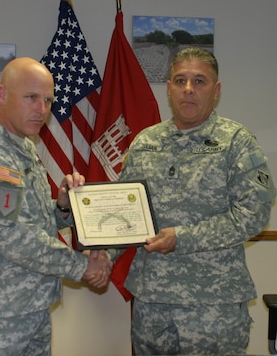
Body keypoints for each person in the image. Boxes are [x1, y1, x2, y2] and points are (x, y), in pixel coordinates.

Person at [111, 47, 276, 355]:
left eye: (199, 81)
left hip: (214, 309)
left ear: (216, 90)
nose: (188, 89)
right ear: (169, 89)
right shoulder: (145, 143)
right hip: (152, 307)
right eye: (180, 80)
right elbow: (126, 213)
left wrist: (182, 238)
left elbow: (253, 214)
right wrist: (102, 255)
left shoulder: (236, 142)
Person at [0, 57, 112, 356]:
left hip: (29, 310)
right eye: (31, 98)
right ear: (2, 96)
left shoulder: (20, 147)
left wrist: (60, 208)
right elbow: (17, 239)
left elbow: (26, 220)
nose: (42, 110)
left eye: (48, 100)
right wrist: (84, 266)